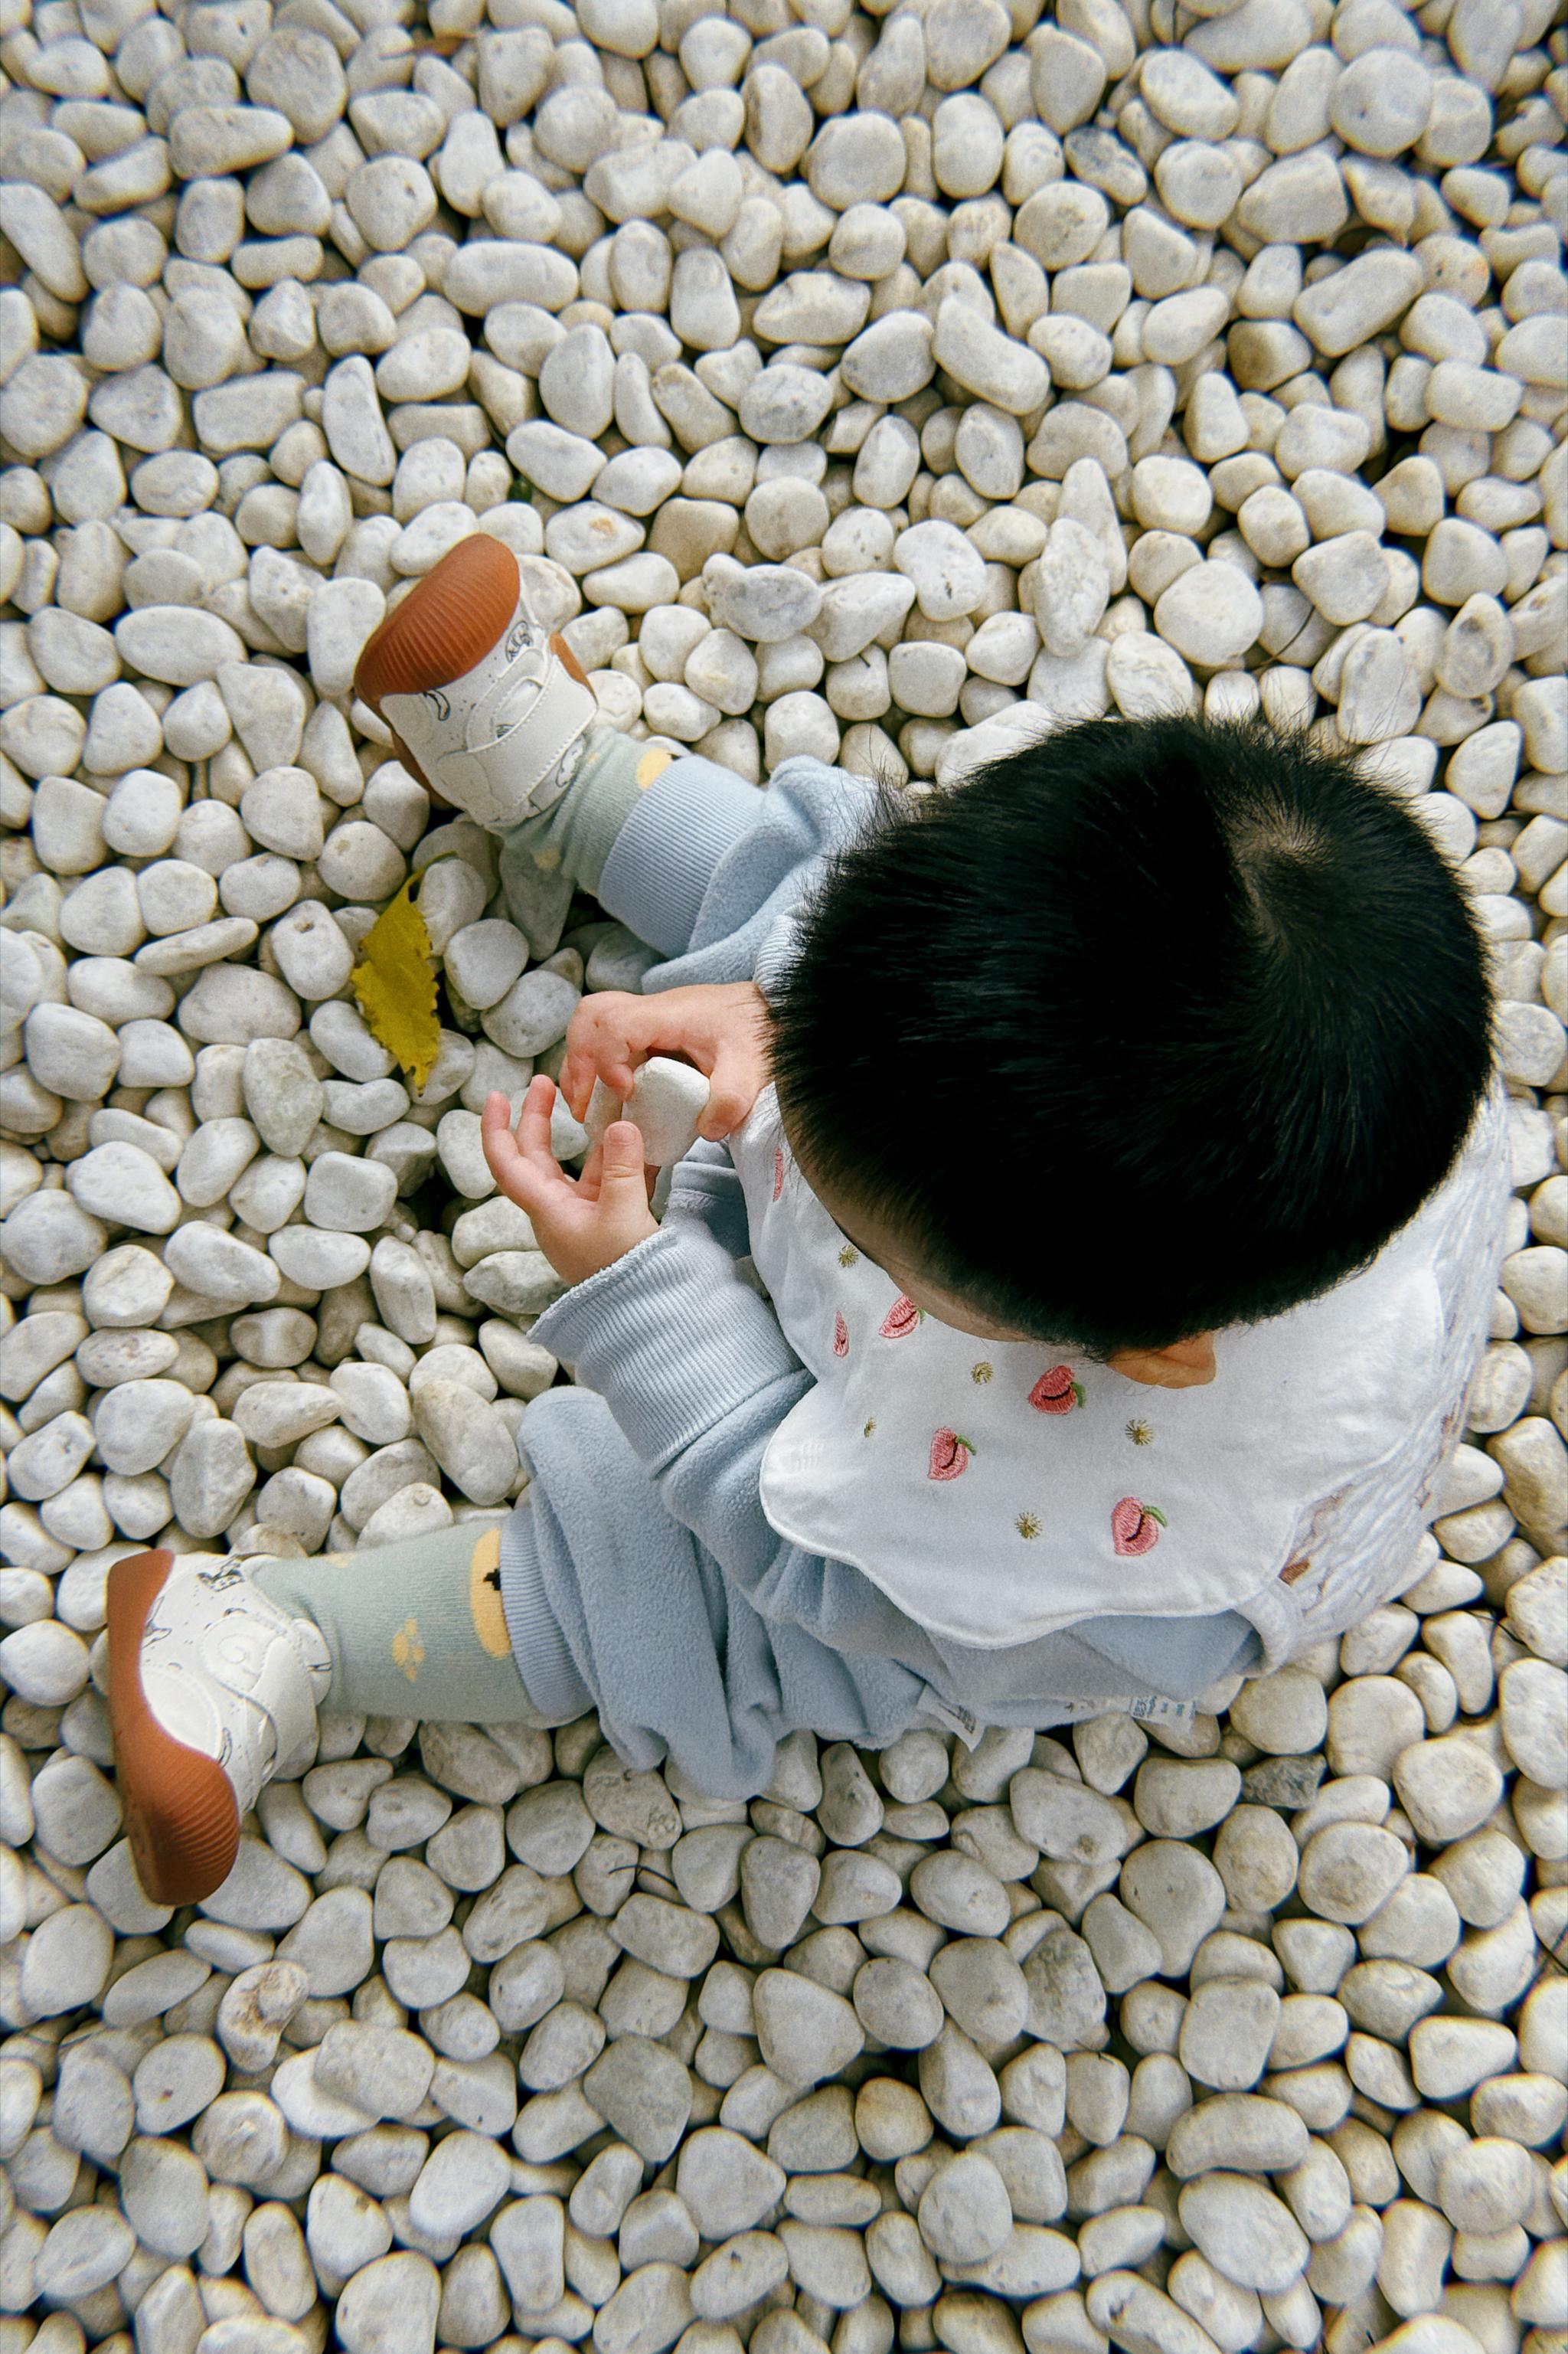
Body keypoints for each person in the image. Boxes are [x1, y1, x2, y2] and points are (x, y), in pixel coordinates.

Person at [107, 537, 1508, 1904]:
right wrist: (769, 1005)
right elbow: (915, 962)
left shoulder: (1112, 1556)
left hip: (912, 1513)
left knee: (701, 1613)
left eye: (863, 1216)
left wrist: (646, 1291)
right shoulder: (1358, 1047)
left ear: (1123, 1348)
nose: (784, 1129)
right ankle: (579, 785)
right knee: (818, 879)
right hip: (1012, 1173)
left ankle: (282, 1634)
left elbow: (791, 1546)